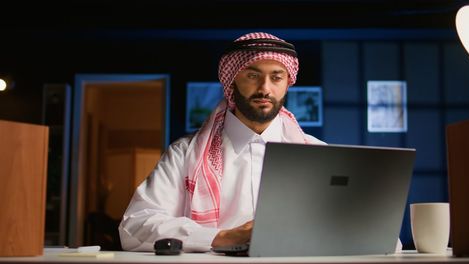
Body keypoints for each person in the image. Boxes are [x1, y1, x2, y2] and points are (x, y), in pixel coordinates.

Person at [118, 32, 325, 252]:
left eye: (276, 77)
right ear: (231, 79)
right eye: (252, 76)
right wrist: (222, 238)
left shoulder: (317, 155)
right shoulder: (184, 154)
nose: (265, 88)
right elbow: (134, 226)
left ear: (287, 83)